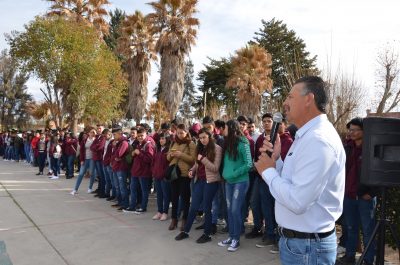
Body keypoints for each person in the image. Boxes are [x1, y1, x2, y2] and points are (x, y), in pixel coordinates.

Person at [255, 76, 346, 265]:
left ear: (308, 99)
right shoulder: (307, 135)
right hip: (301, 244)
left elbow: (297, 201)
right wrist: (276, 161)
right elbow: (292, 181)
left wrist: (268, 172)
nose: (285, 103)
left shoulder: (318, 140)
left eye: (290, 97)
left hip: (308, 248)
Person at [336, 118, 376, 265]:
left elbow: (379, 173)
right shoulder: (347, 147)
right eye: (350, 130)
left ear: (364, 131)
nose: (351, 133)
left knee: (368, 230)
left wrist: (372, 193)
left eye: (355, 130)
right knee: (350, 228)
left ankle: (368, 260)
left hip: (365, 198)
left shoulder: (371, 148)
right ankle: (350, 256)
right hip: (349, 196)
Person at [175, 128, 223, 243]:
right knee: (194, 207)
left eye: (204, 137)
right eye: (200, 138)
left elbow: (215, 168)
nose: (202, 140)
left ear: (209, 137)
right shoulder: (200, 148)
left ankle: (207, 234)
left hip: (211, 182)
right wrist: (192, 170)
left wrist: (203, 159)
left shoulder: (217, 149)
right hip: (199, 180)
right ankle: (185, 232)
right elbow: (197, 164)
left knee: (207, 207)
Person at [218, 120, 252, 252]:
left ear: (231, 128)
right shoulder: (227, 143)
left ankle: (236, 239)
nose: (223, 130)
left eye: (225, 127)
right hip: (228, 182)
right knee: (229, 210)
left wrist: (234, 173)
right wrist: (227, 175)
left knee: (234, 210)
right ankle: (231, 236)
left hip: (241, 181)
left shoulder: (243, 143)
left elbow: (249, 163)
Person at [167, 124, 196, 231]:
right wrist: (170, 155)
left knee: (185, 198)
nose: (179, 135)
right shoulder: (174, 142)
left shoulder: (191, 144)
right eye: (178, 133)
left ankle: (185, 219)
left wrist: (181, 155)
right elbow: (168, 157)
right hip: (174, 174)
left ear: (186, 132)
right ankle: (174, 219)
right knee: (174, 198)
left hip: (184, 175)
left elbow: (194, 160)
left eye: (182, 133)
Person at [125, 128, 155, 214]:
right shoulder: (139, 144)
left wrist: (139, 153)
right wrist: (133, 154)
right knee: (133, 189)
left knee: (144, 191)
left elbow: (150, 159)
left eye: (142, 135)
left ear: (146, 135)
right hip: (135, 171)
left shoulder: (148, 145)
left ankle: (143, 207)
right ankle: (132, 206)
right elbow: (136, 157)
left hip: (144, 172)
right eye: (138, 136)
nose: (140, 137)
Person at [151, 132, 171, 221]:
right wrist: (154, 171)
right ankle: (159, 211)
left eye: (163, 138)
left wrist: (165, 174)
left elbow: (169, 164)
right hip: (157, 176)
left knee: (166, 195)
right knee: (159, 195)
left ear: (167, 140)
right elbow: (154, 162)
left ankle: (165, 212)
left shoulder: (168, 150)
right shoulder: (158, 149)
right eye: (160, 139)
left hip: (164, 177)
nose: (161, 140)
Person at [70, 128, 96, 195]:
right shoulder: (84, 140)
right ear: (89, 133)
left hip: (92, 159)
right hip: (85, 159)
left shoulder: (95, 140)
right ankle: (75, 189)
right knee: (81, 174)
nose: (92, 133)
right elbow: (81, 151)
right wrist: (81, 160)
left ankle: (90, 188)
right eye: (91, 132)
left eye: (93, 132)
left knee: (92, 174)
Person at [91, 125, 106, 198]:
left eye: (100, 128)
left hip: (100, 158)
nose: (98, 130)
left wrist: (95, 147)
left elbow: (100, 147)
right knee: (99, 176)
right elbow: (92, 146)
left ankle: (102, 191)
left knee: (101, 176)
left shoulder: (103, 137)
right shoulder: (97, 137)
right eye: (98, 128)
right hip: (96, 158)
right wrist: (95, 147)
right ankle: (99, 189)